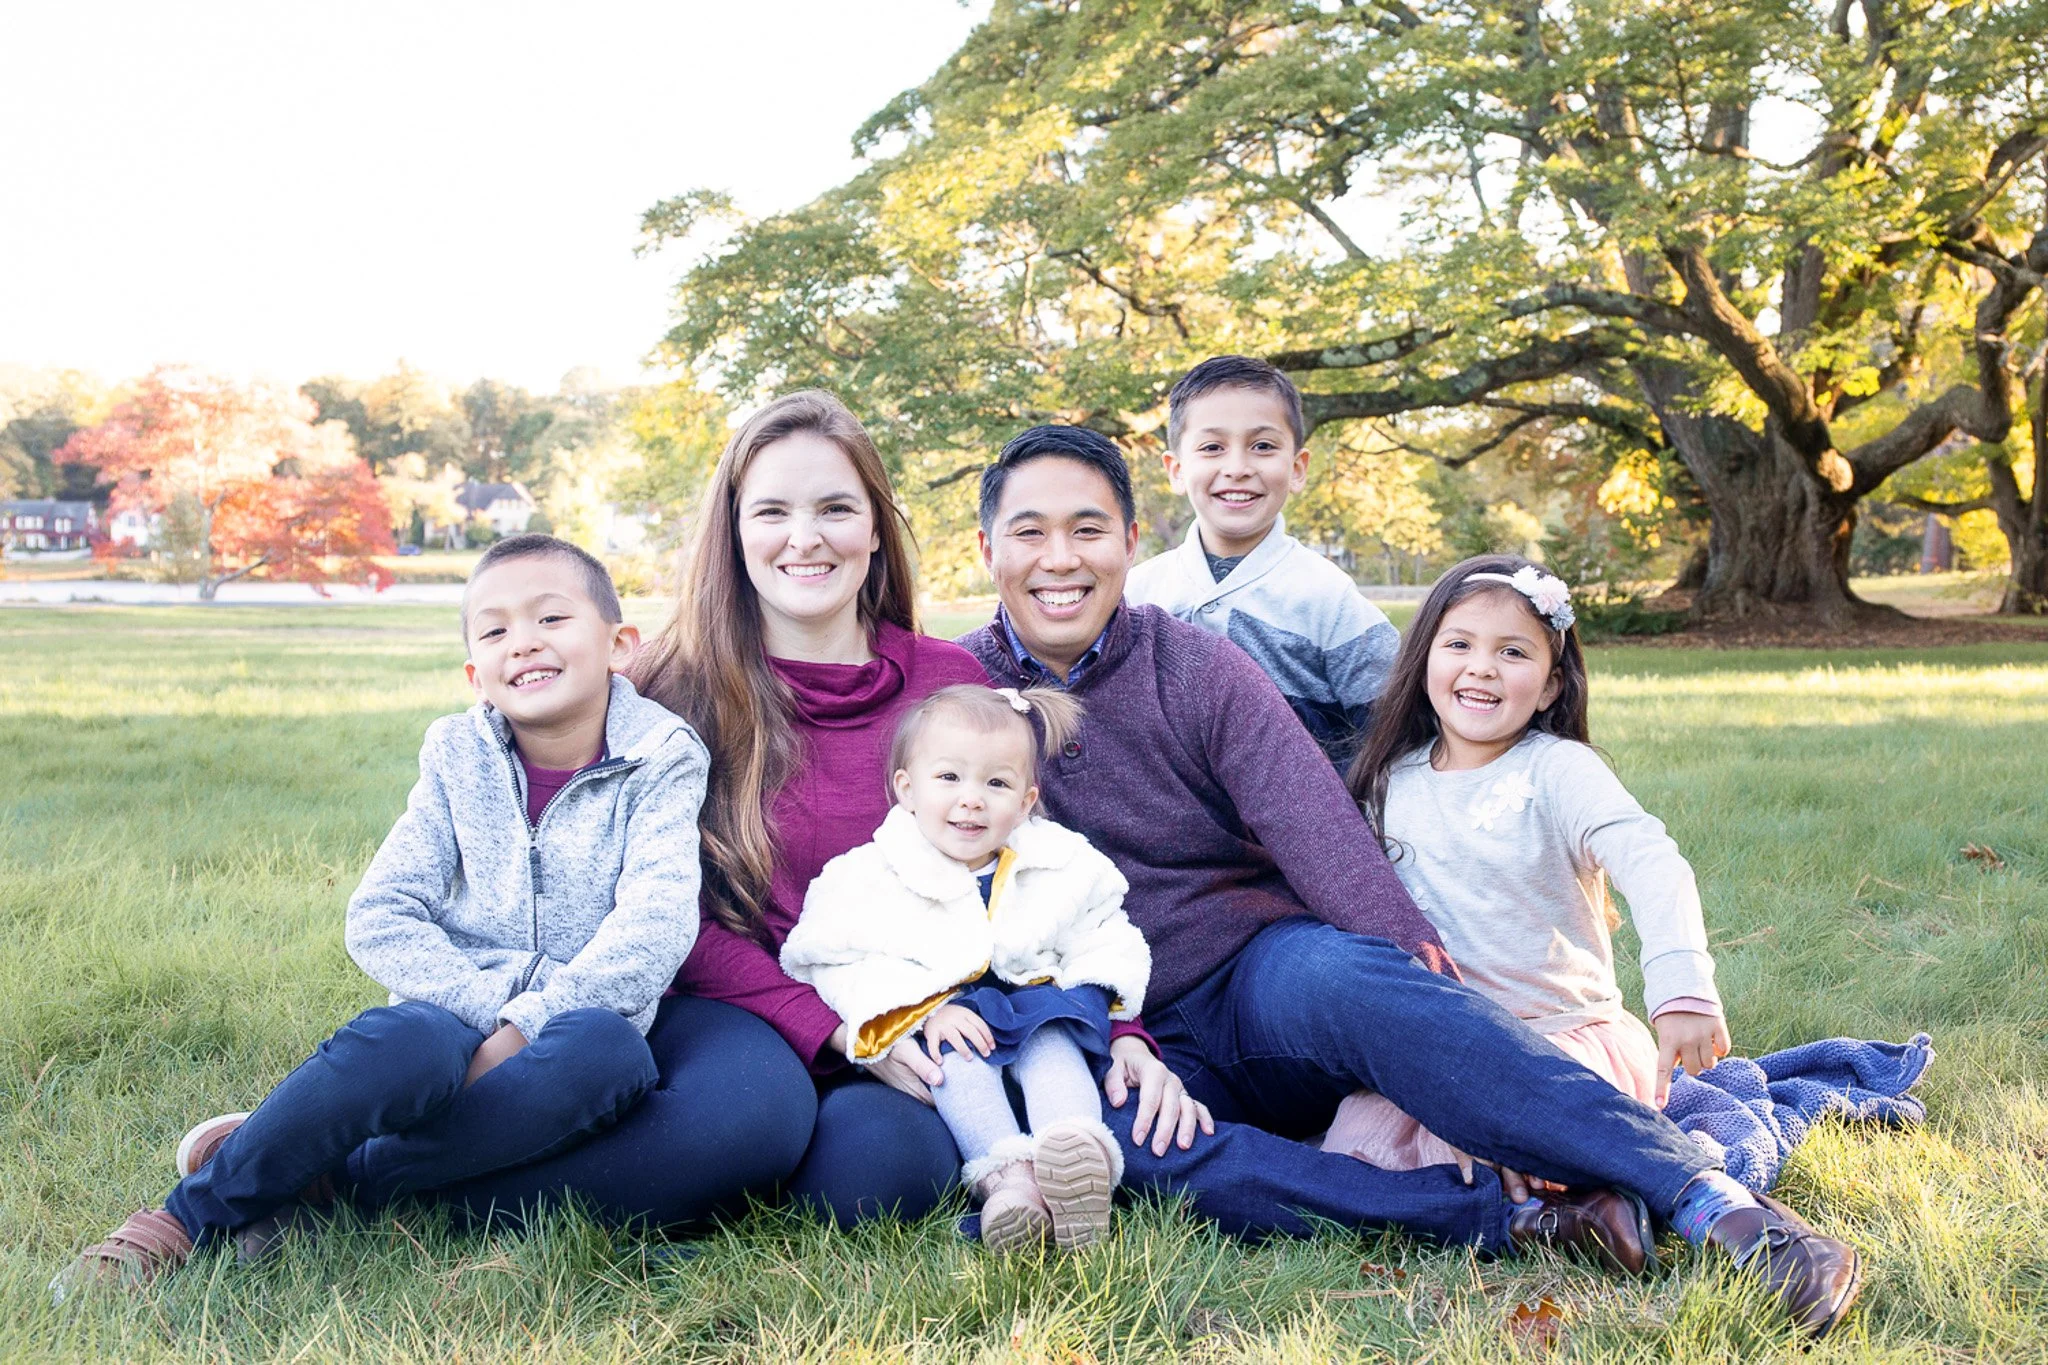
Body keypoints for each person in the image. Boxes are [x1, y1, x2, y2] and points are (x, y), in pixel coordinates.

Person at [956, 425, 1864, 1339]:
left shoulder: (1194, 665)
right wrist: (1114, 1029)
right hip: (1121, 1024)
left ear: (1129, 540)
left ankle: (1713, 1203)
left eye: (1087, 529)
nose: (1060, 558)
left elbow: (1315, 823)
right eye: (1030, 532)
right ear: (988, 548)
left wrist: (1415, 983)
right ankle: (1517, 1219)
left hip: (1260, 976)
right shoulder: (960, 695)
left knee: (1358, 978)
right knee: (1113, 1149)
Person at [59, 535, 720, 1296]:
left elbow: (654, 924)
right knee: (404, 1042)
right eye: (495, 631)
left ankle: (333, 1177)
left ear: (618, 645)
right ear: (475, 674)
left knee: (608, 1053)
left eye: (551, 618)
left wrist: (531, 1024)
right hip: (453, 1003)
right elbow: (381, 910)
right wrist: (491, 1012)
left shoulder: (662, 755)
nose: (524, 643)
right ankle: (186, 1218)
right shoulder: (457, 752)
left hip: (579, 1024)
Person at [633, 390, 1000, 1226]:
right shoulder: (668, 688)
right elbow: (666, 913)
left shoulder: (949, 684)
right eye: (772, 511)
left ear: (874, 529)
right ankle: (401, 1177)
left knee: (892, 1167)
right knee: (752, 1117)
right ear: (734, 532)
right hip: (731, 1007)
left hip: (898, 1010)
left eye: (835, 508)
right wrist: (837, 1028)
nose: (805, 537)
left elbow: (1008, 872)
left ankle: (716, 1188)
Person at [1322, 555, 1730, 1173]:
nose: (1482, 666)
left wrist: (1683, 987)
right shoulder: (1387, 779)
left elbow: (1651, 862)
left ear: (1550, 686)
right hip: (1442, 1048)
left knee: (1536, 1145)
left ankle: (1589, 1196)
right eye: (1459, 644)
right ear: (1424, 661)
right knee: (1363, 1151)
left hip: (1558, 1041)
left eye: (1512, 652)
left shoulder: (1558, 770)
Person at [781, 684, 1149, 1252]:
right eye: (949, 778)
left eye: (996, 784)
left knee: (1052, 1044)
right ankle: (1009, 1183)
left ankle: (1077, 1155)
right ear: (907, 788)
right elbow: (831, 961)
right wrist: (922, 1013)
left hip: (1039, 1006)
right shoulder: (867, 876)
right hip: (948, 1022)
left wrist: (1107, 1003)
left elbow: (1105, 932)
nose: (972, 800)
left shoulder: (1062, 862)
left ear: (1026, 801)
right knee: (956, 1061)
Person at [1125, 355, 1397, 767]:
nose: (1237, 468)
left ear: (1297, 468)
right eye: (1212, 448)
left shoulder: (1329, 599)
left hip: (1304, 806)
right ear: (1177, 470)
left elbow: (1393, 729)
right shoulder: (1136, 594)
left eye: (1263, 447)